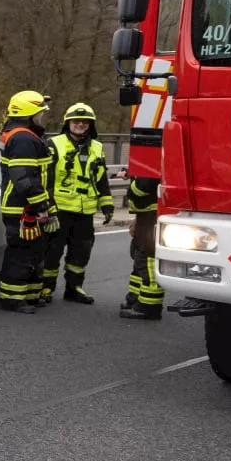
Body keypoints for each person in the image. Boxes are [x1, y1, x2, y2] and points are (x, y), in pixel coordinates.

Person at [38, 103, 114, 305]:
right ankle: (46, 288)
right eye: (76, 121)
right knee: (52, 252)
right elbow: (45, 179)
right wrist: (46, 206)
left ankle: (74, 288)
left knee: (80, 254)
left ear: (90, 124)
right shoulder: (53, 144)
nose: (80, 124)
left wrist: (107, 205)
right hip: (59, 211)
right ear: (68, 123)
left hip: (84, 212)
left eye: (84, 122)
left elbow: (101, 180)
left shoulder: (97, 148)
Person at [0, 90, 58, 314]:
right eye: (40, 112)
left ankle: (31, 295)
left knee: (34, 251)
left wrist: (47, 205)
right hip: (21, 207)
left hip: (26, 205)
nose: (42, 116)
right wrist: (41, 206)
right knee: (21, 253)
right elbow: (24, 177)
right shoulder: (23, 138)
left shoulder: (23, 135)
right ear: (29, 113)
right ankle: (13, 298)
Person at [121, 175, 163, 320]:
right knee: (139, 259)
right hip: (147, 215)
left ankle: (149, 306)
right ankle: (135, 299)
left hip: (153, 216)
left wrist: (131, 188)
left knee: (147, 260)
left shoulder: (151, 162)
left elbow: (144, 185)